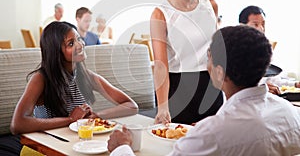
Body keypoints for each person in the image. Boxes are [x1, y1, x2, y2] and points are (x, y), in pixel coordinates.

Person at [107, 25, 300, 156]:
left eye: (208, 57)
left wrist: (122, 148)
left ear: (219, 72)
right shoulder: (291, 113)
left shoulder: (211, 135)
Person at [10, 21, 138, 135]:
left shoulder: (86, 76)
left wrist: (97, 116)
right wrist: (70, 120)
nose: (80, 45)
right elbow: (17, 124)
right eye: (71, 43)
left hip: (77, 143)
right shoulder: (41, 79)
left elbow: (131, 106)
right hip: (46, 146)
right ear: (56, 52)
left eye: (78, 39)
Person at [150, 0, 223, 125]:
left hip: (211, 86)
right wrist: (162, 107)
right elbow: (161, 66)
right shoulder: (160, 14)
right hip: (178, 90)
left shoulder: (210, 5)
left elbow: (217, 50)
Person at [239, 5, 300, 94]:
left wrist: (295, 84)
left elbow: (274, 81)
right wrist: (261, 88)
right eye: (255, 24)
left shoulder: (265, 49)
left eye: (263, 24)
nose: (261, 28)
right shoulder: (235, 50)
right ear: (242, 26)